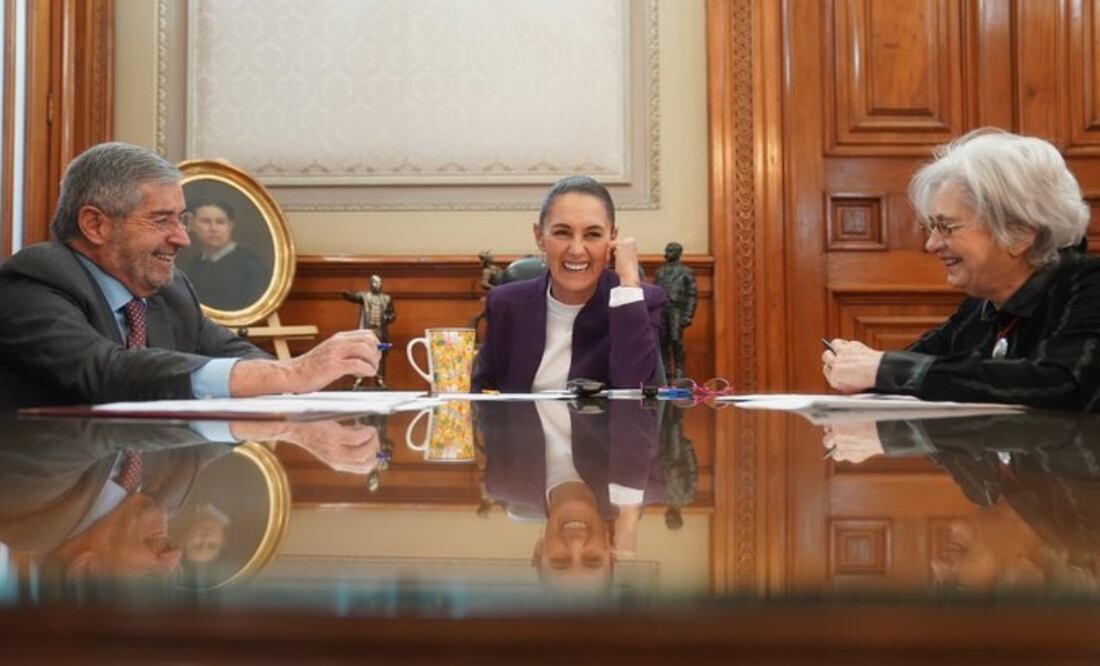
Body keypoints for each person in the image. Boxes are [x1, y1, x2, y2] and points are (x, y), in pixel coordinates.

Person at [0, 142, 380, 410]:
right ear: (95, 224)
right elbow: (105, 371)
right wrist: (292, 373)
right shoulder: (34, 282)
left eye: (181, 220)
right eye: (162, 220)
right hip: (54, 510)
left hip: (147, 489)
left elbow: (234, 356)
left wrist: (296, 391)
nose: (182, 238)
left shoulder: (171, 291)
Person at [822, 129, 1100, 410]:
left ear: (1019, 234)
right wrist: (859, 368)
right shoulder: (980, 308)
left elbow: (1060, 382)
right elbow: (918, 369)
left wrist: (885, 369)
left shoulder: (1090, 286)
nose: (931, 244)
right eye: (931, 227)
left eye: (947, 227)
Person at [471, 176, 665, 392]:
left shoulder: (640, 303)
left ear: (613, 238)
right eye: (562, 232)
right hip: (519, 428)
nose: (576, 250)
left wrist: (628, 285)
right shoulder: (505, 304)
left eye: (593, 234)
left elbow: (634, 391)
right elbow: (482, 396)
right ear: (539, 236)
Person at [181, 199, 269, 311]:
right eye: (206, 221)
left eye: (220, 222)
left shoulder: (250, 264)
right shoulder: (195, 265)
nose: (213, 228)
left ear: (230, 226)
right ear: (192, 225)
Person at [342, 275, 396, 388]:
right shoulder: (364, 296)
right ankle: (359, 379)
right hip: (366, 330)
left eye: (378, 282)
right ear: (370, 284)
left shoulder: (387, 298)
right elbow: (354, 297)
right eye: (374, 282)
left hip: (380, 331)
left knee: (380, 355)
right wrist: (347, 295)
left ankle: (380, 379)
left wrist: (388, 317)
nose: (376, 285)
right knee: (361, 353)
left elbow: (392, 314)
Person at [653, 242, 697, 380]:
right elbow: (654, 292)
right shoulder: (659, 272)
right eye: (667, 249)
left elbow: (692, 294)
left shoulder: (686, 272)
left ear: (678, 252)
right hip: (662, 308)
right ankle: (666, 372)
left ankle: (679, 370)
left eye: (671, 250)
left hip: (676, 309)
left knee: (675, 339)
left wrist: (688, 315)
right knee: (662, 341)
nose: (668, 252)